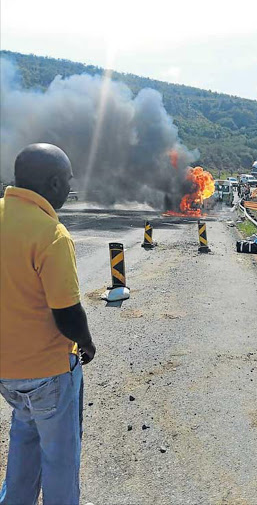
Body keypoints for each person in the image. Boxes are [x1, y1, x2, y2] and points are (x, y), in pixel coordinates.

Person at [0, 143, 96, 505]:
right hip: (47, 372)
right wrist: (86, 342)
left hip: (6, 372)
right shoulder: (50, 233)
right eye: (67, 182)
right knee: (60, 458)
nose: (68, 190)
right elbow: (67, 313)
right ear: (53, 183)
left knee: (24, 439)